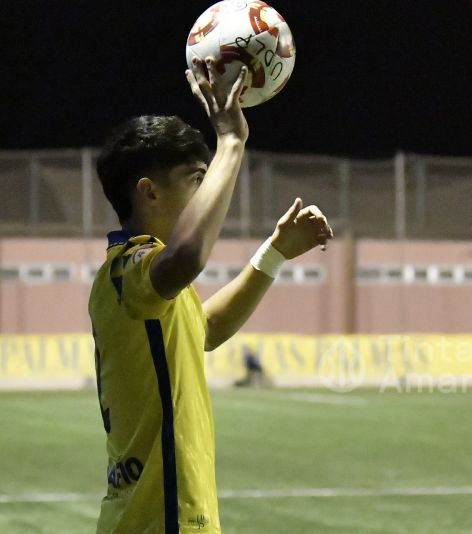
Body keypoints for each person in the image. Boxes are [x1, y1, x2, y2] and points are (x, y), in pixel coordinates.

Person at [89, 57, 333, 533]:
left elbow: (209, 327)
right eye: (195, 179)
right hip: (158, 521)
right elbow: (187, 258)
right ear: (149, 193)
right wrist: (232, 141)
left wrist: (275, 253)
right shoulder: (131, 269)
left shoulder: (141, 279)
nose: (207, 190)